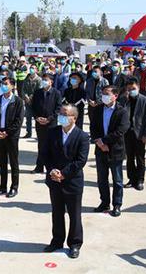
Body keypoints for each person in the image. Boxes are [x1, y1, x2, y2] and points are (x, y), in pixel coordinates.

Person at [39, 104, 89, 259]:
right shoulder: (52, 132)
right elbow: (45, 154)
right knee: (57, 212)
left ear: (74, 118)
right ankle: (57, 241)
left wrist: (64, 174)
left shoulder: (82, 136)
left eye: (65, 114)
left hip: (72, 181)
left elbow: (80, 161)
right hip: (54, 180)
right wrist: (52, 170)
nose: (61, 116)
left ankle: (74, 244)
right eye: (60, 113)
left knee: (74, 214)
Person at [90, 85, 130, 217]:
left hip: (116, 150)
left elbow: (120, 131)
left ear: (115, 96)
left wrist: (105, 141)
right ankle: (104, 202)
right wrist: (99, 143)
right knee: (102, 178)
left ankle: (117, 205)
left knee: (117, 180)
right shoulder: (97, 110)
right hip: (100, 149)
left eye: (107, 94)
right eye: (103, 94)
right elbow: (93, 128)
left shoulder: (122, 111)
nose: (104, 96)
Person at [0, 77, 24, 197]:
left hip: (11, 136)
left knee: (13, 162)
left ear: (13, 86)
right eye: (2, 84)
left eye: (6, 84)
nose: (4, 86)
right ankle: (2, 187)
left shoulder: (18, 101)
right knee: (2, 162)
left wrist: (7, 132)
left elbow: (18, 121)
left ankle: (14, 187)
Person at [123, 78, 146, 191]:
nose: (131, 91)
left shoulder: (145, 100)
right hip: (127, 133)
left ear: (138, 88)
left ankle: (140, 180)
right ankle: (131, 179)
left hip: (139, 133)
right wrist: (125, 100)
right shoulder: (124, 100)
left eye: (133, 89)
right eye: (129, 89)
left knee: (140, 158)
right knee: (129, 158)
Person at [31, 74, 62, 173]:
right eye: (43, 79)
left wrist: (49, 119)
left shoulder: (56, 93)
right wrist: (37, 117)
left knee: (52, 145)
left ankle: (51, 168)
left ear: (51, 82)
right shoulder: (38, 92)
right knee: (41, 145)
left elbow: (58, 109)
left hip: (51, 124)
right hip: (39, 123)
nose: (44, 81)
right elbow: (33, 107)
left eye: (46, 80)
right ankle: (39, 167)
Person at [21, 66, 42, 138]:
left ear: (36, 70)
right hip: (27, 102)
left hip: (36, 102)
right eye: (31, 68)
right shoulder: (26, 79)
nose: (31, 69)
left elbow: (39, 90)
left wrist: (31, 97)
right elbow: (23, 89)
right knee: (28, 118)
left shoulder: (39, 79)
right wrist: (26, 96)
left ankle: (38, 134)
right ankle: (28, 132)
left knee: (37, 119)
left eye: (33, 68)